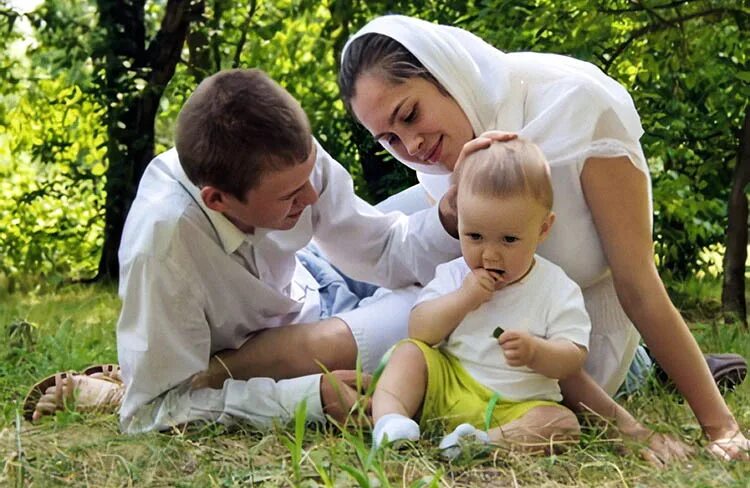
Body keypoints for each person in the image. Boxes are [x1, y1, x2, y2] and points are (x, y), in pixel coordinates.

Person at [338, 14, 749, 460]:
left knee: (346, 337)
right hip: (468, 328)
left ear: (445, 74)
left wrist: (719, 426)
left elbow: (639, 285)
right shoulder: (444, 150)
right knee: (347, 271)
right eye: (390, 139)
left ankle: (652, 366)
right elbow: (413, 267)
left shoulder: (576, 109)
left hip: (561, 343)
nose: (412, 147)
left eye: (410, 115)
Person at [25, 68, 462, 432]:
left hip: (321, 276)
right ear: (217, 199)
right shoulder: (162, 247)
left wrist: (451, 216)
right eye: (290, 195)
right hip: (298, 339)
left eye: (311, 174)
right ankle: (150, 381)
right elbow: (150, 412)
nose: (311, 198)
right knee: (458, 306)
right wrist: (307, 397)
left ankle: (164, 376)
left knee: (466, 232)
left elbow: (382, 247)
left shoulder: (288, 157)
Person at [372, 138, 590, 459]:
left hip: (515, 405)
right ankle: (391, 422)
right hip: (448, 386)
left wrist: (536, 351)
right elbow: (420, 330)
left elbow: (572, 357)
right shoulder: (455, 274)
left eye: (509, 239)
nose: (490, 254)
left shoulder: (556, 286)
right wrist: (464, 297)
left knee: (562, 423)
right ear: (459, 222)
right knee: (407, 354)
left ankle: (482, 443)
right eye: (474, 236)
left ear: (543, 229)